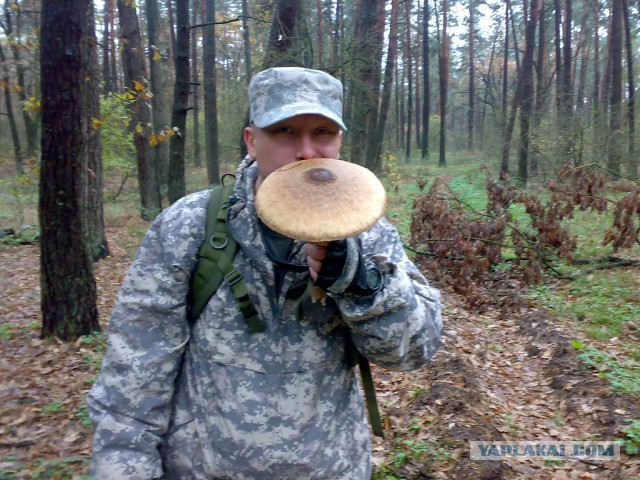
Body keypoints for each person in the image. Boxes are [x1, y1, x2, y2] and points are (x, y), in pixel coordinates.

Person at [87, 66, 443, 480]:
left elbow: (411, 353)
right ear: (253, 141)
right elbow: (135, 369)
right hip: (202, 467)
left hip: (329, 467)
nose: (307, 151)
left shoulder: (368, 232)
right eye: (286, 131)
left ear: (340, 141)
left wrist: (362, 285)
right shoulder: (188, 225)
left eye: (323, 132)